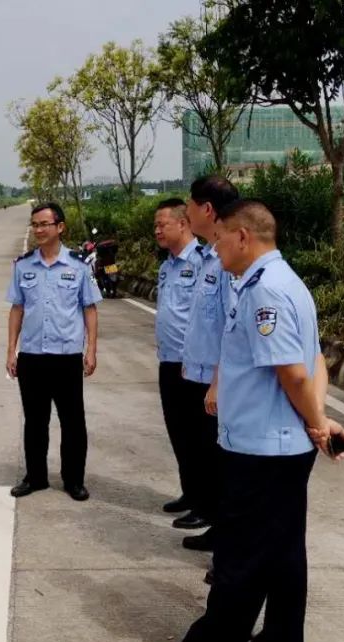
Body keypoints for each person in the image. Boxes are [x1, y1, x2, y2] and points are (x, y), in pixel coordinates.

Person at [134, 199, 344, 642]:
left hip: (261, 450)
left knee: (239, 559)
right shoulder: (289, 282)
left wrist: (317, 422)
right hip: (283, 446)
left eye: (218, 239)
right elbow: (316, 360)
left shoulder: (263, 292)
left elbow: (294, 372)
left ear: (242, 238)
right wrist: (318, 421)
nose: (215, 248)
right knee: (284, 550)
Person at [6, 202, 101, 501]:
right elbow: (17, 308)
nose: (39, 230)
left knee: (73, 421)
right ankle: (35, 477)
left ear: (60, 227)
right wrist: (11, 350)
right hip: (32, 356)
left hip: (66, 356)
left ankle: (74, 479)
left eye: (45, 224)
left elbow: (90, 309)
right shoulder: (23, 266)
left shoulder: (78, 266)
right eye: (35, 224)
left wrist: (92, 349)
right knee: (35, 421)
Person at [176, 176, 240, 554]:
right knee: (209, 460)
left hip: (218, 382)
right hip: (198, 376)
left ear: (207, 210)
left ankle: (228, 544)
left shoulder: (229, 260)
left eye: (190, 205)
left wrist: (218, 383)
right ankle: (219, 531)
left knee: (223, 465)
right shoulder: (211, 256)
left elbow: (232, 327)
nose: (186, 211)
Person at [151, 198, 208, 531]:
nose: (157, 230)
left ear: (183, 223)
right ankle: (190, 493)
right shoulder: (166, 266)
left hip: (195, 365)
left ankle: (205, 504)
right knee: (178, 433)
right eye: (155, 226)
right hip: (168, 362)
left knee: (200, 437)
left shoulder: (203, 263)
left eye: (163, 224)